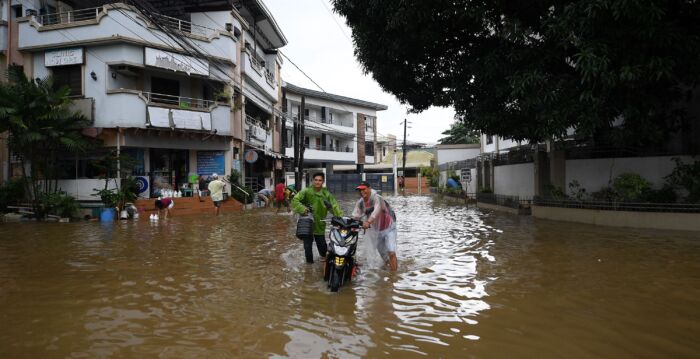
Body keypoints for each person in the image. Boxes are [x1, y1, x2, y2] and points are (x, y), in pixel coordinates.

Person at [291, 172, 343, 264]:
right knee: (307, 248)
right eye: (316, 180)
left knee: (322, 247)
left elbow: (335, 206)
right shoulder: (306, 191)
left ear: (323, 182)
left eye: (320, 180)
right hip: (307, 224)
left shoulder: (326, 194)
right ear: (312, 181)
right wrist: (303, 209)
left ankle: (323, 263)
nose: (317, 182)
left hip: (320, 224)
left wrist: (340, 218)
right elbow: (295, 200)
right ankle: (309, 268)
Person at [352, 181, 398, 271]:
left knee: (391, 252)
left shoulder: (377, 198)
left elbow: (375, 212)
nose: (362, 192)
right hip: (377, 232)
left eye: (363, 189)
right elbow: (355, 216)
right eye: (360, 190)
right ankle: (389, 272)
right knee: (385, 258)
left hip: (389, 228)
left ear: (369, 189)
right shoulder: (360, 203)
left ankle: (394, 277)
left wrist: (368, 222)